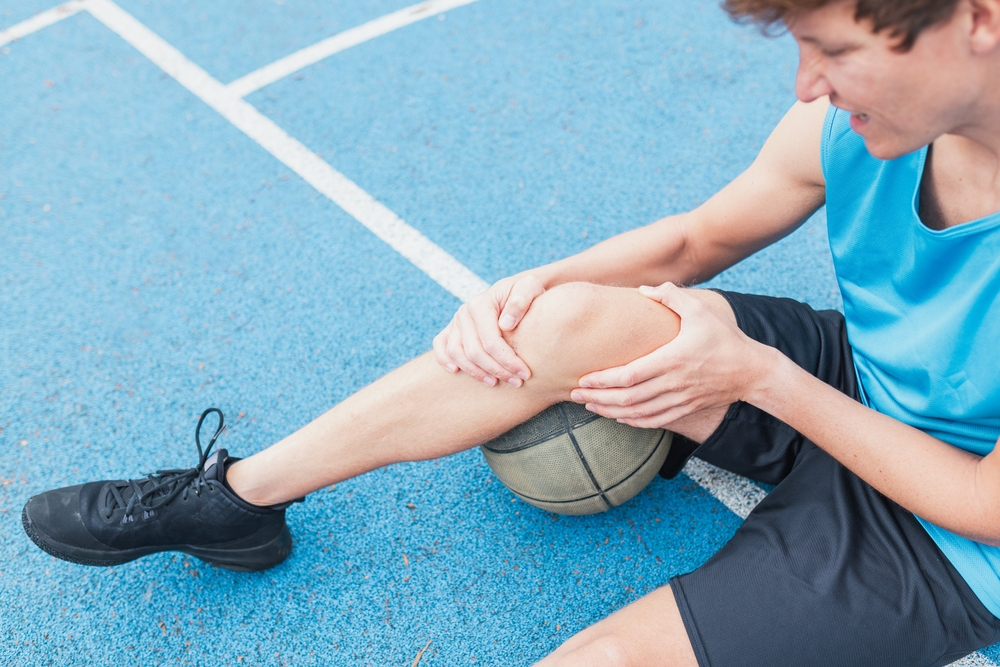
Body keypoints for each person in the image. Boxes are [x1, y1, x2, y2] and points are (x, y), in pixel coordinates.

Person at [20, 0, 1000, 663]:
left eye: (833, 52)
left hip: (949, 537)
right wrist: (528, 288)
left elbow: (977, 500)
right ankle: (235, 499)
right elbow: (701, 235)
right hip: (866, 378)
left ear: (976, 19)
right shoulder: (852, 128)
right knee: (564, 318)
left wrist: (759, 377)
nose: (805, 84)